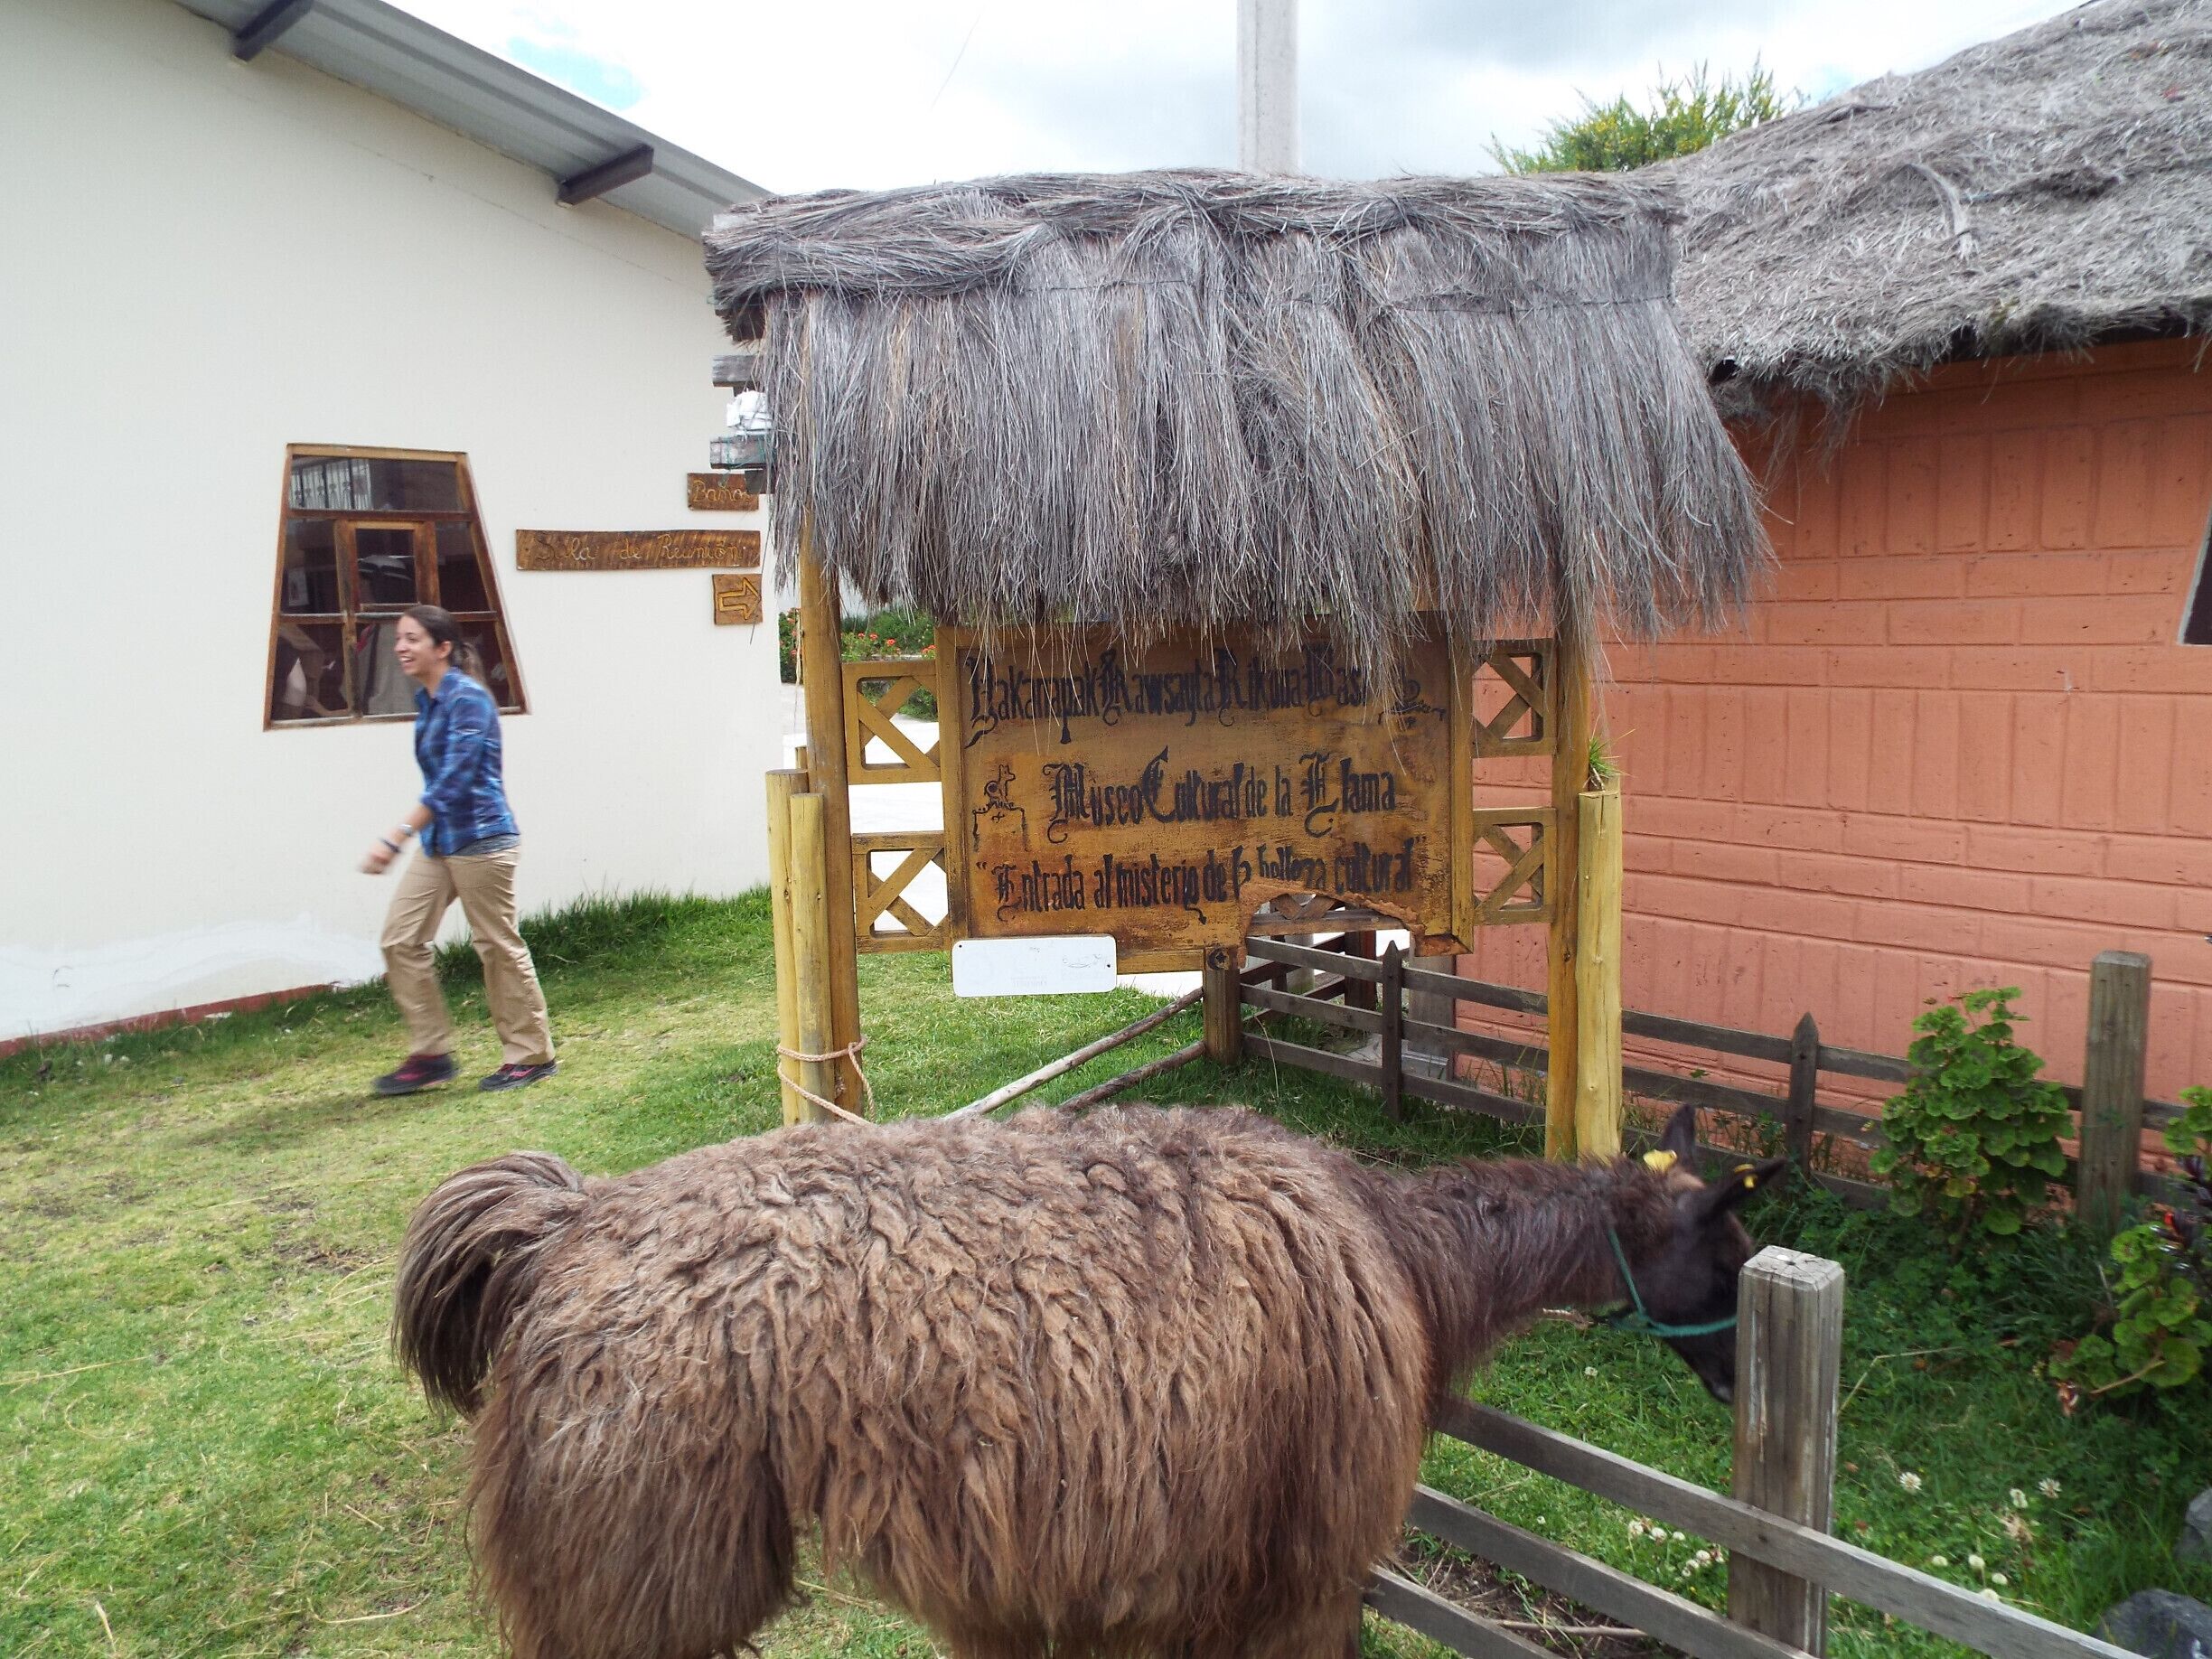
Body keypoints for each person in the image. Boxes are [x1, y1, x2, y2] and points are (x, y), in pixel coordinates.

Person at [361, 605, 558, 1095]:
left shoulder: (468, 699)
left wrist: (395, 837)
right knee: (400, 939)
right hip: (441, 843)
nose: (401, 647)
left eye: (412, 639)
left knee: (496, 944)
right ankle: (431, 1054)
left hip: (483, 839)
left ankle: (531, 1055)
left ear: (442, 648)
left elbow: (454, 780)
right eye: (399, 639)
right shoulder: (427, 700)